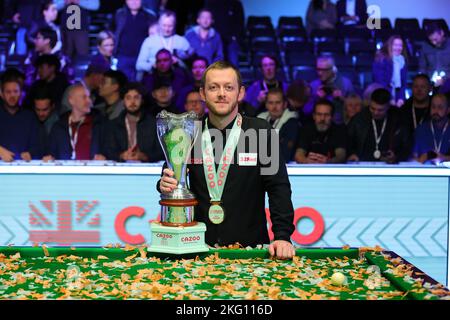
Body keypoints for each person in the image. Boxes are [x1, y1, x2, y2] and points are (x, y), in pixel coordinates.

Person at [157, 61, 296, 259]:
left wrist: (282, 236)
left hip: (251, 253)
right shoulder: (187, 133)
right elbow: (170, 176)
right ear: (203, 93)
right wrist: (164, 183)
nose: (221, 93)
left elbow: (278, 188)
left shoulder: (261, 132)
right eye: (213, 87)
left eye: (228, 87)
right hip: (196, 251)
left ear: (240, 93)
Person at [347, 88, 411, 163]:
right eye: (372, 108)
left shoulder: (399, 119)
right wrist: (352, 154)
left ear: (388, 107)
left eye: (380, 110)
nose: (376, 112)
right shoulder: (359, 119)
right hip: (363, 164)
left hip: (390, 166)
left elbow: (407, 145)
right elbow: (348, 142)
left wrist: (397, 156)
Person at [44, 83, 106, 161]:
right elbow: (50, 154)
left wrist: (104, 158)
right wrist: (49, 159)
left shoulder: (100, 124)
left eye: (89, 97)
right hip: (65, 172)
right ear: (71, 100)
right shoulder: (59, 127)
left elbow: (110, 151)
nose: (89, 101)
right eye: (84, 97)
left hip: (92, 171)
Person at [105, 82, 164, 162]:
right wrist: (122, 155)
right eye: (128, 98)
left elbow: (161, 152)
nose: (132, 102)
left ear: (142, 100)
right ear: (123, 101)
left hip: (147, 170)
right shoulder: (113, 125)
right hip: (120, 169)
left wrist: (144, 156)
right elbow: (108, 150)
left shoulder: (154, 124)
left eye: (136, 97)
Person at [0, 75, 43, 162]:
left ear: (21, 93)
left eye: (15, 91)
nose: (12, 95)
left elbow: (38, 147)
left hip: (23, 168)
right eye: (8, 92)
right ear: (1, 94)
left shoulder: (30, 117)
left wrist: (30, 154)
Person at [114, 0, 156, 81]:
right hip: (123, 57)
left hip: (143, 58)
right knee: (123, 83)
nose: (134, 2)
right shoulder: (120, 14)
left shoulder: (150, 16)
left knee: (142, 84)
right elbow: (113, 32)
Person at [294, 99, 347, 164]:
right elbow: (298, 155)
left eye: (326, 115)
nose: (322, 118)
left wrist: (327, 162)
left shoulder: (339, 131)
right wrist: (307, 161)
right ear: (314, 116)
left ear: (332, 117)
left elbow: (341, 156)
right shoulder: (306, 130)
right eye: (319, 114)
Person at [257, 88, 299, 162]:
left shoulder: (292, 122)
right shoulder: (259, 118)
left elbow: (285, 152)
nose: (274, 107)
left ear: (285, 104)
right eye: (270, 103)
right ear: (266, 105)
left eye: (278, 102)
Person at [204, 0, 245, 67]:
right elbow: (207, 18)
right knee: (214, 64)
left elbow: (240, 22)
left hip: (231, 40)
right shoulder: (210, 2)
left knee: (233, 64)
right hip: (214, 39)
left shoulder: (236, 3)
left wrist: (235, 37)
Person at [413, 94, 450, 163]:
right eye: (433, 107)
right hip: (426, 171)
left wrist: (445, 158)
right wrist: (419, 160)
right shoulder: (421, 130)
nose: (436, 111)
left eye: (440, 107)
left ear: (448, 110)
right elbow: (412, 156)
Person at [373, 35, 408, 107]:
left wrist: (401, 99)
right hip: (383, 95)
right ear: (390, 46)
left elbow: (403, 83)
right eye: (395, 45)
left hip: (397, 97)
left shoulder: (402, 61)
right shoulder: (381, 59)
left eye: (400, 45)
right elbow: (380, 82)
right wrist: (389, 98)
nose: (398, 48)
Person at [419, 22, 450, 87]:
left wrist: (444, 79)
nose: (434, 43)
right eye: (431, 40)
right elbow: (422, 66)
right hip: (430, 82)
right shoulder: (425, 46)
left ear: (441, 33)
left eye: (435, 39)